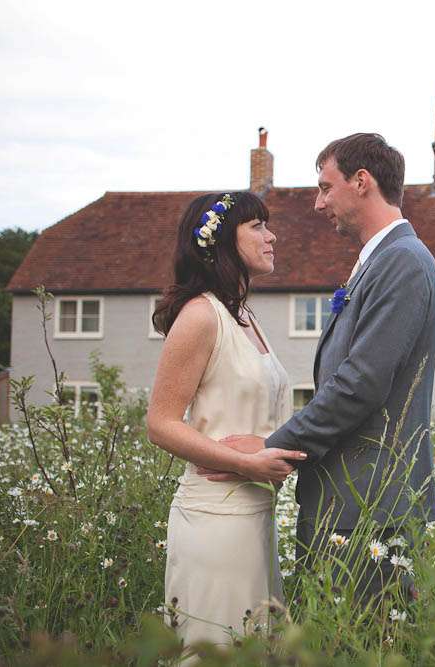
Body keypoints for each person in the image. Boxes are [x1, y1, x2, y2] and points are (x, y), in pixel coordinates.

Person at [200, 133, 435, 604]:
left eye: (326, 187)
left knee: (361, 637)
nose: (318, 203)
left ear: (361, 181)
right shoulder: (380, 261)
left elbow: (360, 385)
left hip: (368, 509)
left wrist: (270, 449)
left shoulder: (403, 262)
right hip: (345, 504)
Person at [146, 191, 307, 656]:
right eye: (257, 226)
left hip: (257, 515)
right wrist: (245, 464)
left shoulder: (247, 317)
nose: (271, 236)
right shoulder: (201, 315)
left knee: (258, 649)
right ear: (220, 241)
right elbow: (160, 423)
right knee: (217, 649)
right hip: (214, 517)